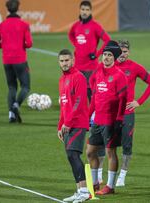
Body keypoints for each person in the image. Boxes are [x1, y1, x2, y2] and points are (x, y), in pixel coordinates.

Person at [86, 41, 127, 195]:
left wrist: (119, 120)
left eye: (110, 55)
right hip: (97, 120)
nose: (106, 58)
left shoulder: (119, 75)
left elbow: (123, 100)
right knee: (90, 152)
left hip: (111, 121)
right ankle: (95, 183)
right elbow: (95, 97)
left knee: (111, 153)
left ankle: (110, 186)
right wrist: (88, 116)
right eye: (104, 54)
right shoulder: (97, 73)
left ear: (115, 58)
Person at [114, 39, 150, 187]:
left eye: (125, 52)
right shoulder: (107, 66)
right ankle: (102, 175)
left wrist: (139, 102)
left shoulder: (134, 67)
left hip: (127, 113)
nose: (122, 54)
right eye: (120, 51)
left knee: (126, 144)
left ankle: (122, 175)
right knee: (106, 145)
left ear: (129, 52)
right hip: (109, 113)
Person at [57, 49, 90, 203]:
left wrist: (68, 123)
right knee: (71, 157)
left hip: (78, 123)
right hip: (67, 124)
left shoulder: (79, 77)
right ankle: (79, 190)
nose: (64, 63)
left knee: (73, 154)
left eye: (67, 60)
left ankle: (84, 191)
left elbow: (78, 102)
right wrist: (60, 126)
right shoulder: (62, 80)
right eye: (62, 61)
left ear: (72, 60)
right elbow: (64, 105)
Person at [0, 0, 32, 123]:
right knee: (25, 86)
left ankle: (11, 115)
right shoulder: (24, 25)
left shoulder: (1, 25)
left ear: (7, 9)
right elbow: (29, 43)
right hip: (20, 60)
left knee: (11, 87)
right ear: (18, 9)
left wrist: (5, 46)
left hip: (7, 61)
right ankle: (16, 106)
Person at [68, 0, 111, 101]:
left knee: (90, 91)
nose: (84, 12)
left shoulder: (95, 26)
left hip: (90, 66)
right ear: (80, 10)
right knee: (76, 90)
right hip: (77, 65)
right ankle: (79, 113)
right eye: (83, 9)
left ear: (91, 11)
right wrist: (77, 45)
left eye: (87, 10)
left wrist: (97, 54)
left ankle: (93, 114)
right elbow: (70, 35)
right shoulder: (76, 25)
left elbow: (107, 40)